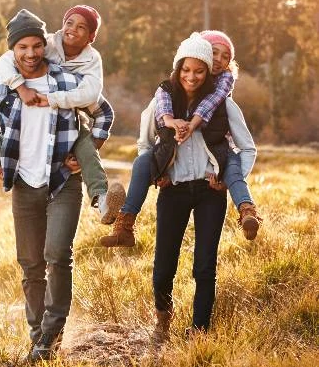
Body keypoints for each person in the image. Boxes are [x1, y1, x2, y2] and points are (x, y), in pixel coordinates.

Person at [0, 9, 113, 363]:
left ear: (44, 46)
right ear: (13, 50)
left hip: (63, 180)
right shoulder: (1, 86)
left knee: (57, 256)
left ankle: (51, 337)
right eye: (23, 47)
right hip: (24, 182)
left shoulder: (66, 80)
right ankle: (38, 338)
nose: (32, 53)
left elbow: (104, 111)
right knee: (30, 264)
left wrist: (87, 151)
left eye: (37, 45)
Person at [0, 5, 125, 226]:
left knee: (85, 144)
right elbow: (5, 62)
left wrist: (88, 148)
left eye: (81, 27)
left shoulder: (92, 61)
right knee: (1, 144)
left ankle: (102, 201)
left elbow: (94, 96)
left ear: (91, 37)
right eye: (69, 23)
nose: (72, 29)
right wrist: (20, 87)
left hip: (71, 120)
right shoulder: (45, 44)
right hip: (28, 122)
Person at [136, 34, 257, 341]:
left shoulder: (224, 105)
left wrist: (228, 179)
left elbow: (248, 149)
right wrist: (155, 173)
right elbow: (144, 144)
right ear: (179, 68)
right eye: (187, 70)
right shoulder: (162, 101)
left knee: (204, 266)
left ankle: (200, 331)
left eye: (200, 70)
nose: (192, 76)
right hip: (173, 191)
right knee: (164, 264)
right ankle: (163, 319)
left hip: (209, 192)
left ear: (207, 71)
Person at [100, 30, 262, 248]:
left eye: (226, 57)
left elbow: (212, 106)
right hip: (174, 173)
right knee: (142, 162)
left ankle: (247, 211)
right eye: (214, 53)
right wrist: (159, 169)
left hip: (217, 158)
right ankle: (125, 223)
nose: (219, 60)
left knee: (232, 166)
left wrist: (191, 125)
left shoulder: (222, 91)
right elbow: (149, 133)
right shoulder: (168, 90)